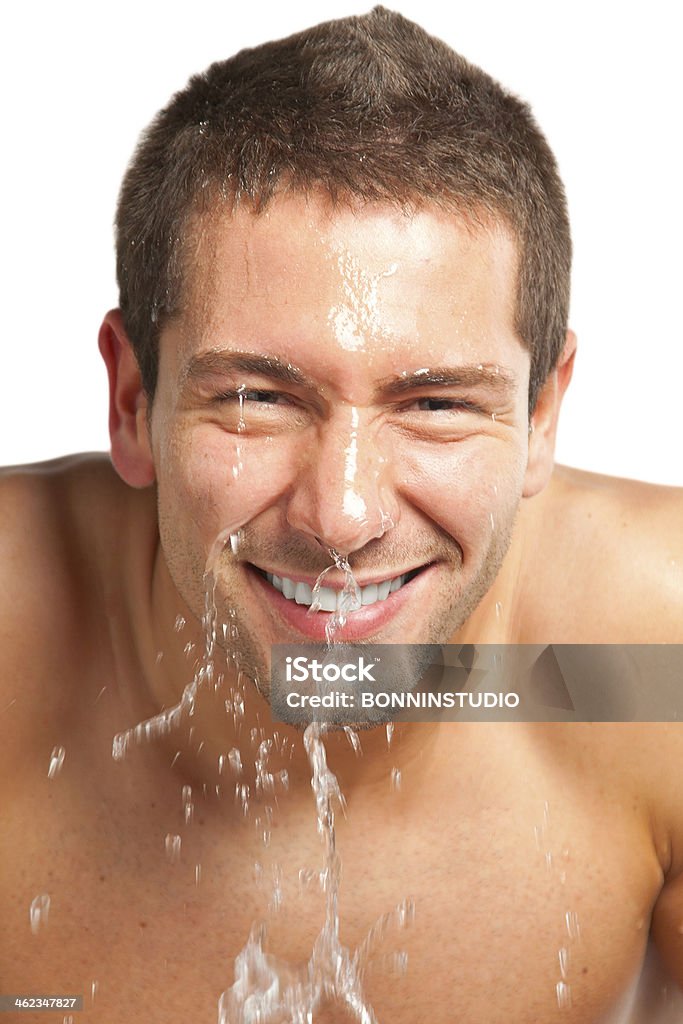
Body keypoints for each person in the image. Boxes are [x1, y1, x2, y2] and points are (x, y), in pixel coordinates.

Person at [2, 8, 683, 1022]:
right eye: (258, 397)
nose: (344, 513)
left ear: (541, 415)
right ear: (133, 400)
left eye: (436, 404)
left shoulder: (650, 668)